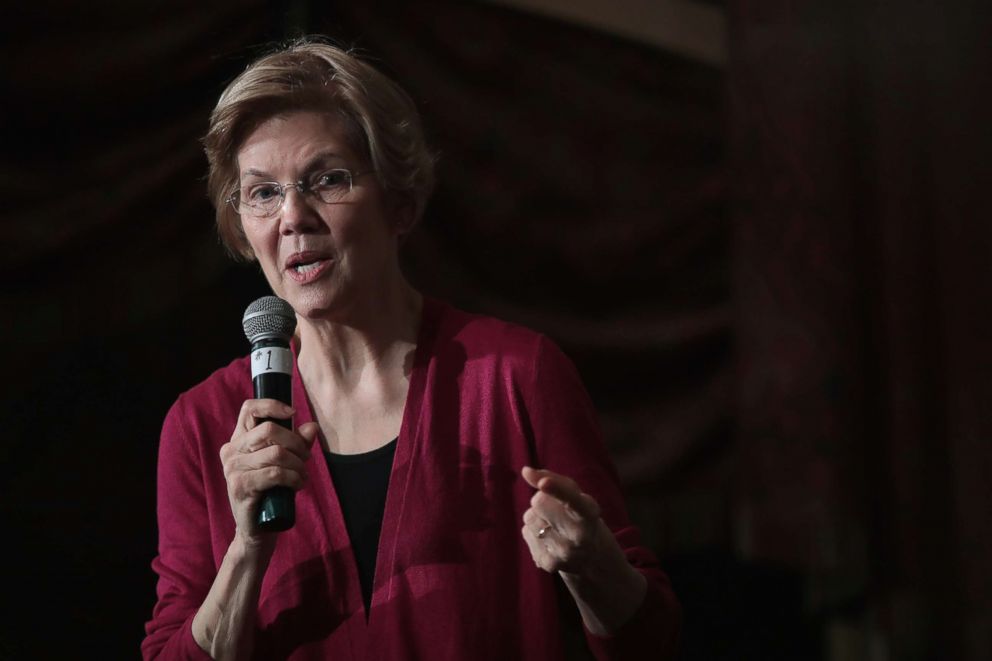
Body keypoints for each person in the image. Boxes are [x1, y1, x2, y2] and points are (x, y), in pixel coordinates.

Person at [143, 38, 680, 660]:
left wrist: (591, 568)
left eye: (327, 180)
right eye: (262, 193)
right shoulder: (200, 424)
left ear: (397, 200)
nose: (292, 216)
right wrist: (246, 550)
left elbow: (652, 642)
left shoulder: (514, 377)